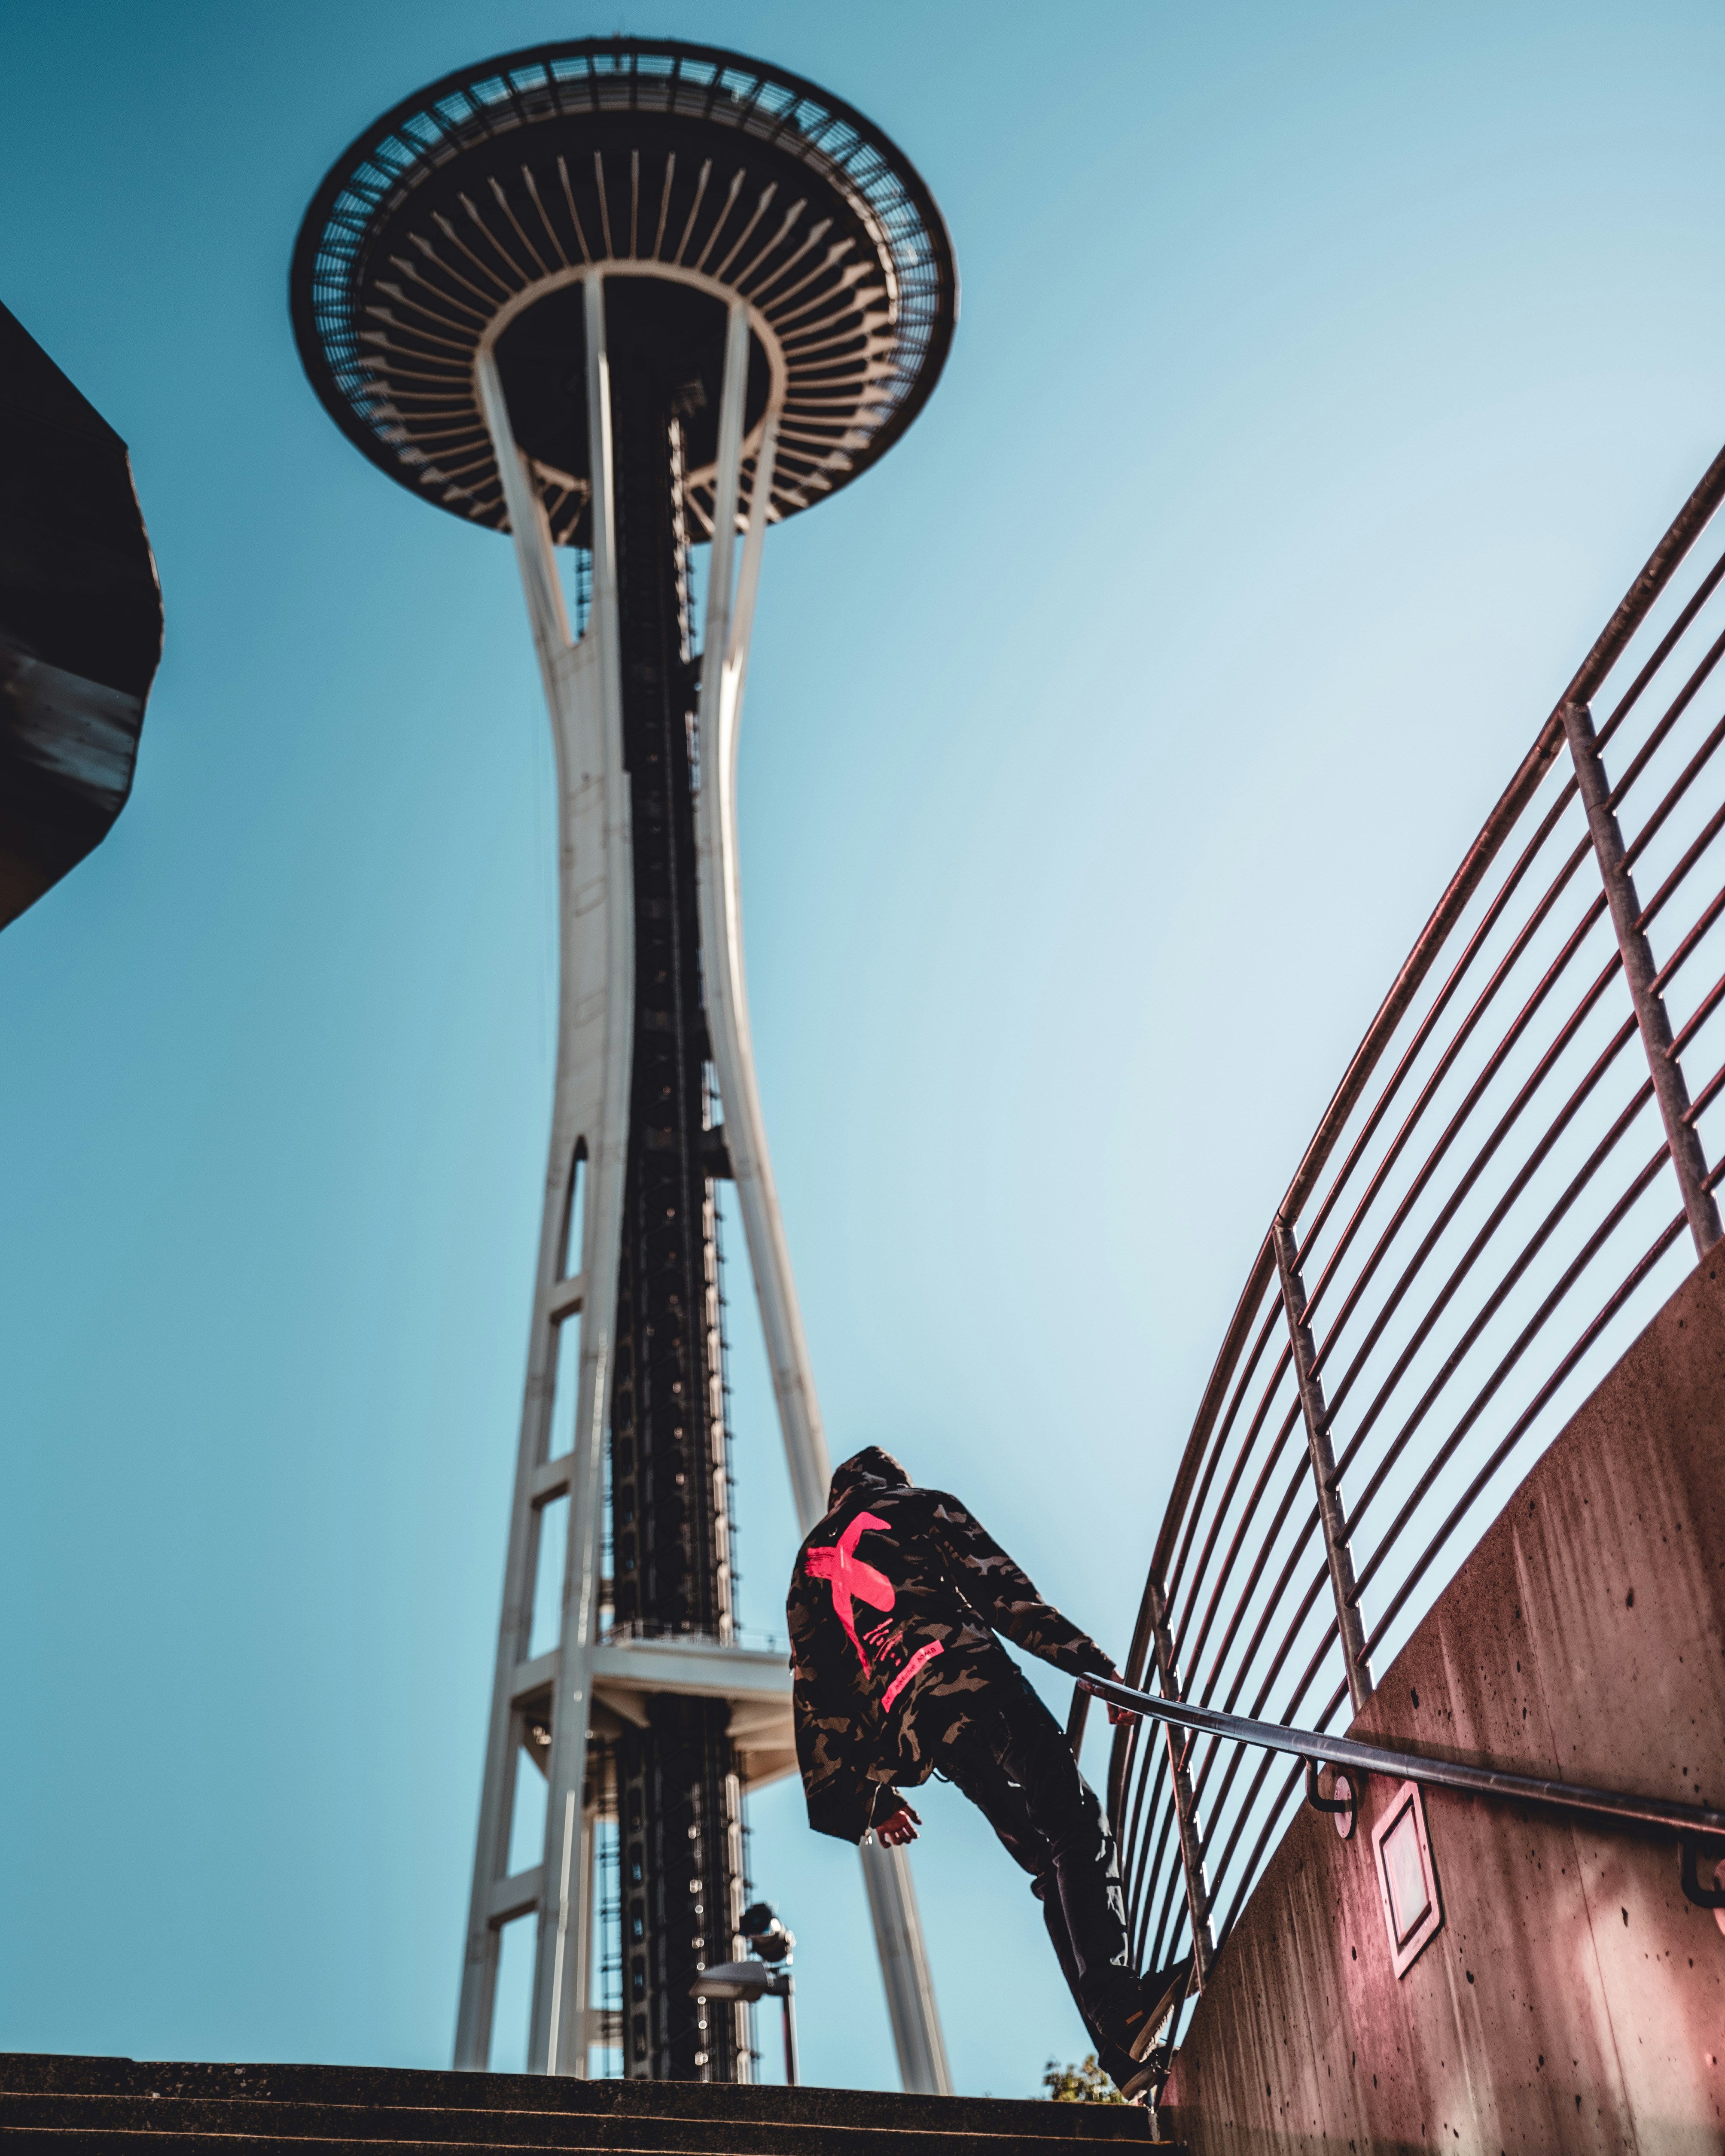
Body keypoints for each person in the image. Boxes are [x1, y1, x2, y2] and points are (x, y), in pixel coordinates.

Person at [786, 1446, 1191, 2099]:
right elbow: (999, 1590)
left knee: (1046, 1863)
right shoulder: (911, 1506)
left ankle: (1122, 2057)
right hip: (978, 1683)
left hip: (925, 1727)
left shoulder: (809, 1568)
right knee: (1075, 1825)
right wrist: (1090, 1665)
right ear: (889, 1479)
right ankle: (1122, 2009)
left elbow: (816, 1693)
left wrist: (867, 1799)